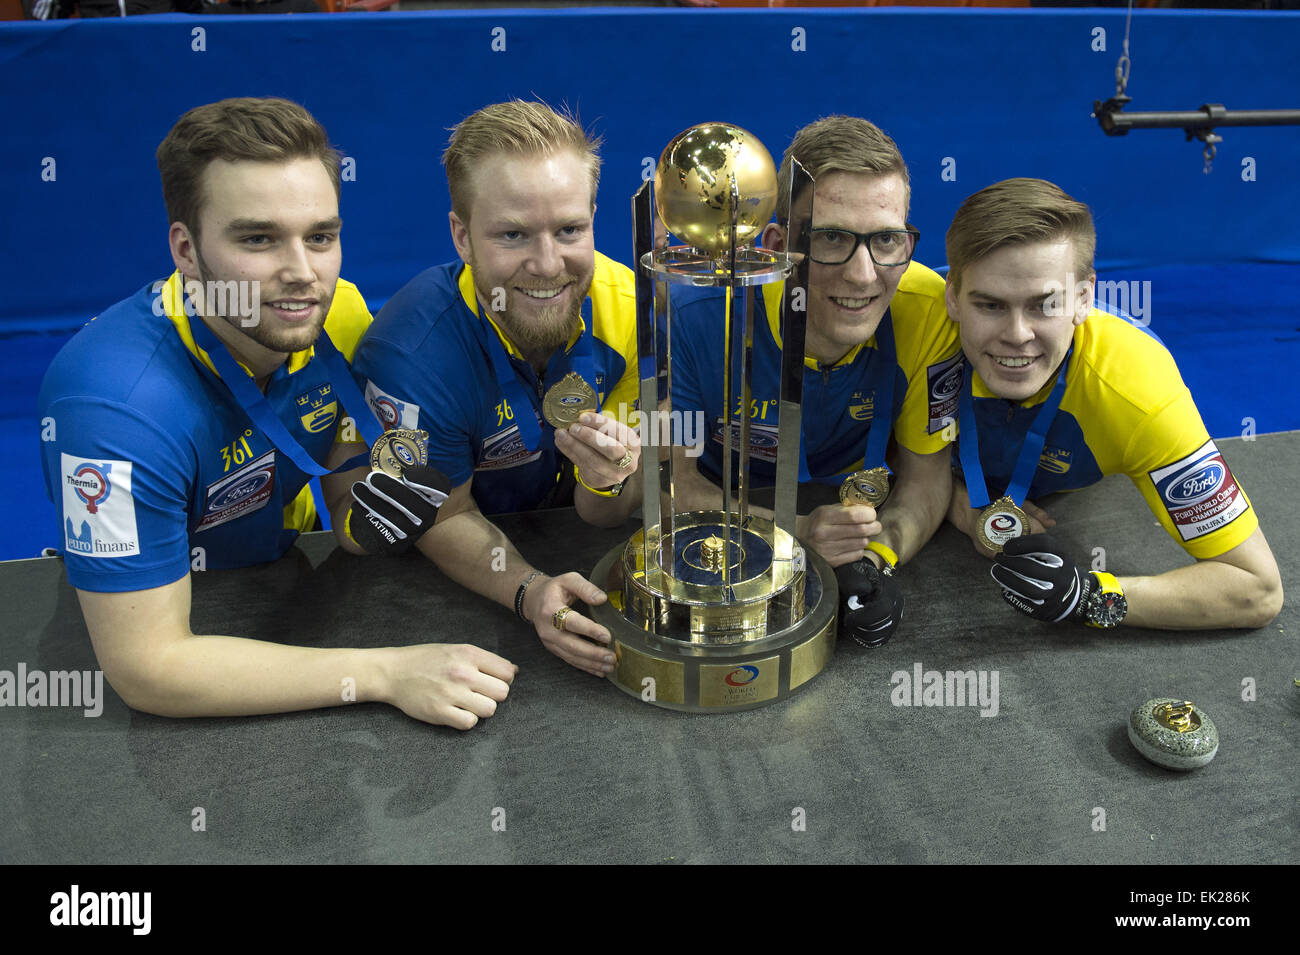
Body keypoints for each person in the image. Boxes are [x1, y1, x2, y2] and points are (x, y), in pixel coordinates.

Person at [37, 97, 515, 730]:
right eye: (258, 239)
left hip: (280, 591)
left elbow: (347, 504)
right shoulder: (114, 410)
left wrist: (367, 521)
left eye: (321, 237)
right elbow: (148, 669)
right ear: (186, 248)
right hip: (157, 635)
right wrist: (383, 674)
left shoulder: (336, 315)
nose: (302, 274)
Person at [346, 100, 644, 678]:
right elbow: (444, 514)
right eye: (512, 234)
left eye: (570, 229)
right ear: (461, 237)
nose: (547, 263)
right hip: (440, 586)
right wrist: (530, 591)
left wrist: (609, 477)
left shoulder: (629, 311)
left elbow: (605, 512)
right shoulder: (411, 357)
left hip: (578, 542)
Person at [667, 115, 962, 646]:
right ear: (779, 243)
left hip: (852, 519)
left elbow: (926, 480)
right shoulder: (701, 313)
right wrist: (796, 535)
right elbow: (677, 489)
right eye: (831, 238)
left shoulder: (928, 312)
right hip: (726, 539)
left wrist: (875, 559)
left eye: (887, 240)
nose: (863, 274)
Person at [943, 177, 1283, 630]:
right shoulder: (916, 334)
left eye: (1045, 305)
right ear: (951, 297)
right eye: (990, 305)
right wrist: (959, 504)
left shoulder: (1137, 393)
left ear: (1084, 298)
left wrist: (1091, 596)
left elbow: (1257, 589)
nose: (1017, 335)